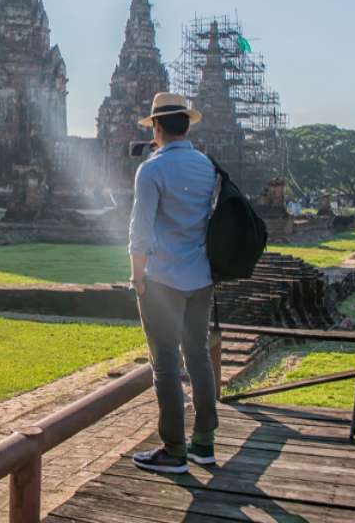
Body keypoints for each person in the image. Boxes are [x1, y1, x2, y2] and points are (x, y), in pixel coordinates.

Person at [128, 92, 219, 473]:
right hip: (201, 277)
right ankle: (204, 443)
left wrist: (136, 276)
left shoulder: (151, 170)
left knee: (165, 362)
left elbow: (140, 230)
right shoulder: (207, 166)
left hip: (162, 279)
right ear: (187, 124)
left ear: (158, 128)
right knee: (197, 354)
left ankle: (174, 449)